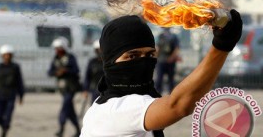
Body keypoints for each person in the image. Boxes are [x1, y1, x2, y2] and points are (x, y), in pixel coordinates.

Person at [80, 10, 242, 137]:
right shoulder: (115, 109)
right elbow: (178, 105)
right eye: (132, 56)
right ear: (110, 60)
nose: (143, 62)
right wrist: (221, 46)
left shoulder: (130, 103)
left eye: (150, 55)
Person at [0, 44, 25, 137]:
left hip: (11, 94)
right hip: (0, 94)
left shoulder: (15, 67)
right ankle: (4, 126)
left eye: (9, 55)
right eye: (5, 55)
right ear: (2, 55)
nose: (7, 57)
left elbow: (20, 81)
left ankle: (4, 131)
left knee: (8, 114)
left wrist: (21, 95)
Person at [48, 37, 81, 137]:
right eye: (56, 48)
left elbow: (76, 70)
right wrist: (56, 73)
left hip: (71, 87)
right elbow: (50, 72)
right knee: (70, 110)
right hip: (62, 88)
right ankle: (78, 130)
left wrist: (66, 71)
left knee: (65, 107)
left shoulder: (71, 57)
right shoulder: (55, 58)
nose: (57, 50)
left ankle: (61, 129)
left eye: (59, 48)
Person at [155, 27, 180, 94]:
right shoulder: (160, 36)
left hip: (170, 62)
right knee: (159, 79)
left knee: (171, 80)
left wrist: (172, 57)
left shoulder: (174, 37)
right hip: (161, 61)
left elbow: (176, 48)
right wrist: (155, 57)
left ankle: (171, 96)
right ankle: (157, 95)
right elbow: (158, 48)